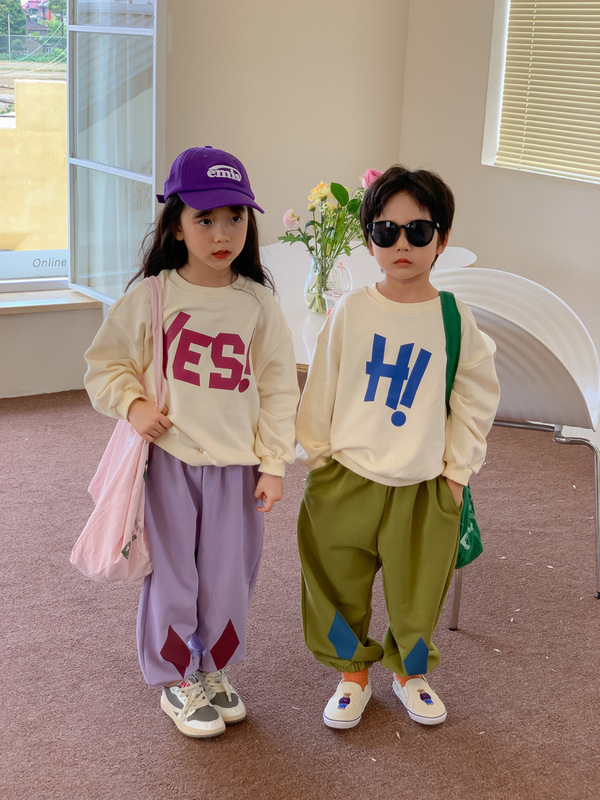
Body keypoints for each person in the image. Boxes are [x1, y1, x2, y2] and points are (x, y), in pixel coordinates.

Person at [84, 146, 299, 738]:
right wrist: (133, 405)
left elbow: (279, 390)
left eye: (235, 217)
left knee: (230, 575)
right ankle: (177, 677)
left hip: (237, 468)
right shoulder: (152, 296)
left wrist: (274, 464)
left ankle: (213, 666)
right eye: (205, 219)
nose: (221, 233)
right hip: (170, 464)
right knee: (175, 575)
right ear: (176, 226)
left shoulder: (257, 304)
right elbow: (105, 365)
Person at [295, 165, 500, 729]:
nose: (402, 244)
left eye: (418, 230)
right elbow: (322, 385)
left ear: (442, 239)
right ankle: (352, 672)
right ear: (369, 241)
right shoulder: (351, 310)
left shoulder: (455, 318)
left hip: (423, 483)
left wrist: (456, 474)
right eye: (386, 231)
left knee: (419, 591)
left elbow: (476, 399)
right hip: (346, 476)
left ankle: (410, 672)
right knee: (334, 581)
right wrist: (317, 457)